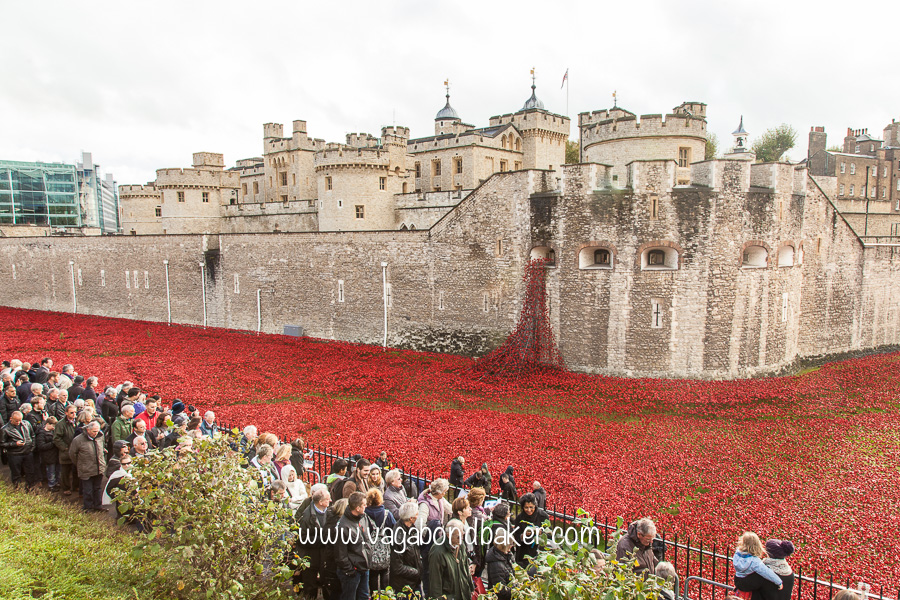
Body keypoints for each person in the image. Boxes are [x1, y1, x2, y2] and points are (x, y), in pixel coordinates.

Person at [294, 486, 332, 599]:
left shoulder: (330, 512)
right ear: (320, 502)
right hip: (310, 556)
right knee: (310, 586)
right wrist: (322, 540)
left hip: (324, 555)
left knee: (327, 584)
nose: (330, 501)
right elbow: (302, 538)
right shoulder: (306, 517)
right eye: (327, 499)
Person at [335, 491, 374, 600]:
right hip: (352, 571)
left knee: (364, 596)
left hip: (364, 566)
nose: (366, 506)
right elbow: (340, 554)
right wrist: (350, 570)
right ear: (357, 508)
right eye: (364, 505)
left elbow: (370, 533)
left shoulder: (363, 517)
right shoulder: (343, 526)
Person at [428, 518, 475, 600]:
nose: (461, 538)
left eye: (462, 534)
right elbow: (435, 583)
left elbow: (465, 568)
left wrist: (471, 588)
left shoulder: (460, 544)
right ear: (449, 535)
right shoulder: (437, 552)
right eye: (458, 536)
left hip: (463, 594)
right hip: (449, 596)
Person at [733, 532, 783, 600]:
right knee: (762, 576)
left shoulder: (737, 554)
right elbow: (766, 572)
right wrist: (779, 582)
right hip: (748, 584)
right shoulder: (754, 561)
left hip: (737, 580)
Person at [69, 420, 107, 511]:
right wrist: (80, 464)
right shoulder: (78, 440)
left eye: (97, 431)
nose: (96, 433)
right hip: (86, 469)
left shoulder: (100, 436)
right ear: (88, 430)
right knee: (88, 490)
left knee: (97, 488)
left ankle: (98, 505)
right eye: (94, 431)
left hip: (99, 468)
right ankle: (88, 507)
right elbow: (72, 454)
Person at [365, 487, 395, 593]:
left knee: (372, 576)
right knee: (385, 573)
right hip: (384, 549)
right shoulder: (387, 514)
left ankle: (373, 594)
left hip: (370, 550)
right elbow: (394, 530)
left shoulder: (364, 515)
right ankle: (385, 594)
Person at [390, 500, 423, 597]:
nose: (418, 516)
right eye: (417, 514)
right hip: (403, 585)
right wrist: (416, 571)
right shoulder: (399, 537)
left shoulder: (411, 529)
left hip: (414, 582)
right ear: (411, 518)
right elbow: (397, 567)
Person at [1, 410, 37, 490]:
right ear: (11, 419)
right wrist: (15, 444)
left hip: (27, 452)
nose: (18, 422)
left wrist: (32, 448)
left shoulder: (26, 423)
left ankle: (31, 488)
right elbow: (2, 444)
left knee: (30, 472)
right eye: (16, 421)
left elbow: (32, 435)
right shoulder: (5, 429)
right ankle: (18, 489)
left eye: (20, 420)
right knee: (16, 473)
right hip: (15, 454)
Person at [512, 493, 548, 567]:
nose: (529, 510)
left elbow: (549, 533)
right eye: (526, 507)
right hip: (524, 552)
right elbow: (516, 536)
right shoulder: (520, 518)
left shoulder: (543, 516)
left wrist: (541, 532)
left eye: (531, 507)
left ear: (535, 506)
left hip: (538, 551)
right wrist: (523, 535)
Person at [53, 404, 79, 495]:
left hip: (76, 450)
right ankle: (66, 488)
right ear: (66, 413)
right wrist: (65, 448)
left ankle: (76, 486)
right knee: (65, 471)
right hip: (66, 451)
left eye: (75, 412)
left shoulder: (78, 422)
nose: (74, 414)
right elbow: (56, 438)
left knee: (76, 470)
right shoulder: (61, 424)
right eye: (71, 413)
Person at [485, 534, 515, 600]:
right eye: (510, 544)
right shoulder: (495, 564)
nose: (511, 546)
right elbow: (501, 592)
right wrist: (517, 589)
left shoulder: (507, 555)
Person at [36, 416, 60, 491]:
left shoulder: (53, 431)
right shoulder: (41, 434)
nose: (54, 427)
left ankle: (56, 483)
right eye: (52, 426)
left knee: (56, 470)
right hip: (48, 456)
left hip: (55, 455)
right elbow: (41, 446)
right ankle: (51, 485)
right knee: (51, 472)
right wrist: (53, 443)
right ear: (47, 424)